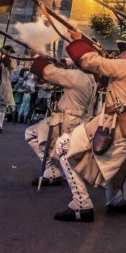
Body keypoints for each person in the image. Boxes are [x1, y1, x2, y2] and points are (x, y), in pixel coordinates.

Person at [52, 34, 126, 221]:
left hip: (112, 126)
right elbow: (104, 77)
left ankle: (81, 204)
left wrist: (77, 40)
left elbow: (90, 61)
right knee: (115, 191)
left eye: (123, 54)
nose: (119, 56)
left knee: (63, 145)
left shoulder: (125, 66)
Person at [25, 55, 96, 187]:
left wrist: (42, 59)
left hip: (67, 120)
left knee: (61, 150)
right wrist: (62, 63)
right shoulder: (90, 77)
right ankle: (52, 171)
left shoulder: (76, 76)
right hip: (75, 120)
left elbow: (49, 72)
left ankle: (79, 196)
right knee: (35, 135)